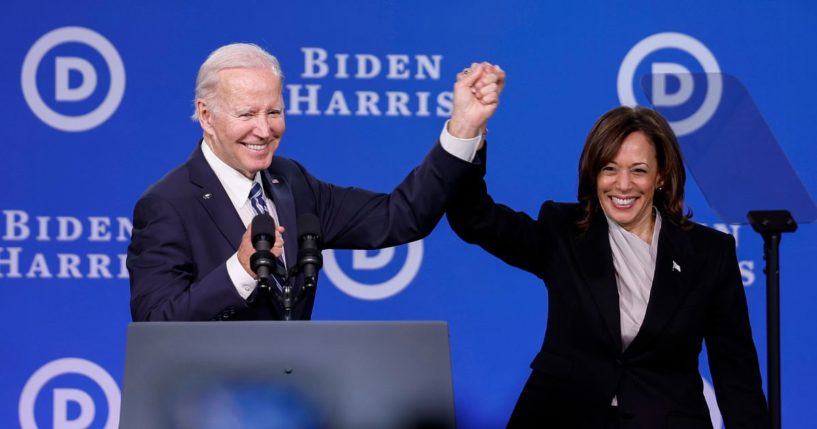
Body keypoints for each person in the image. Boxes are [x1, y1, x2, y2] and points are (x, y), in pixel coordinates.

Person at [127, 42, 505, 321]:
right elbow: (155, 324)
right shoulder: (168, 203)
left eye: (274, 111)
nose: (264, 129)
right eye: (246, 114)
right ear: (206, 116)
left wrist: (464, 127)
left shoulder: (291, 181)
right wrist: (239, 270)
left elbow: (399, 216)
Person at [446, 106, 770, 428]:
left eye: (639, 170)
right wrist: (469, 131)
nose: (623, 185)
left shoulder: (709, 253)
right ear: (594, 174)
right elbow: (474, 218)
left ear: (661, 175)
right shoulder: (563, 231)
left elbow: (735, 372)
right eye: (609, 169)